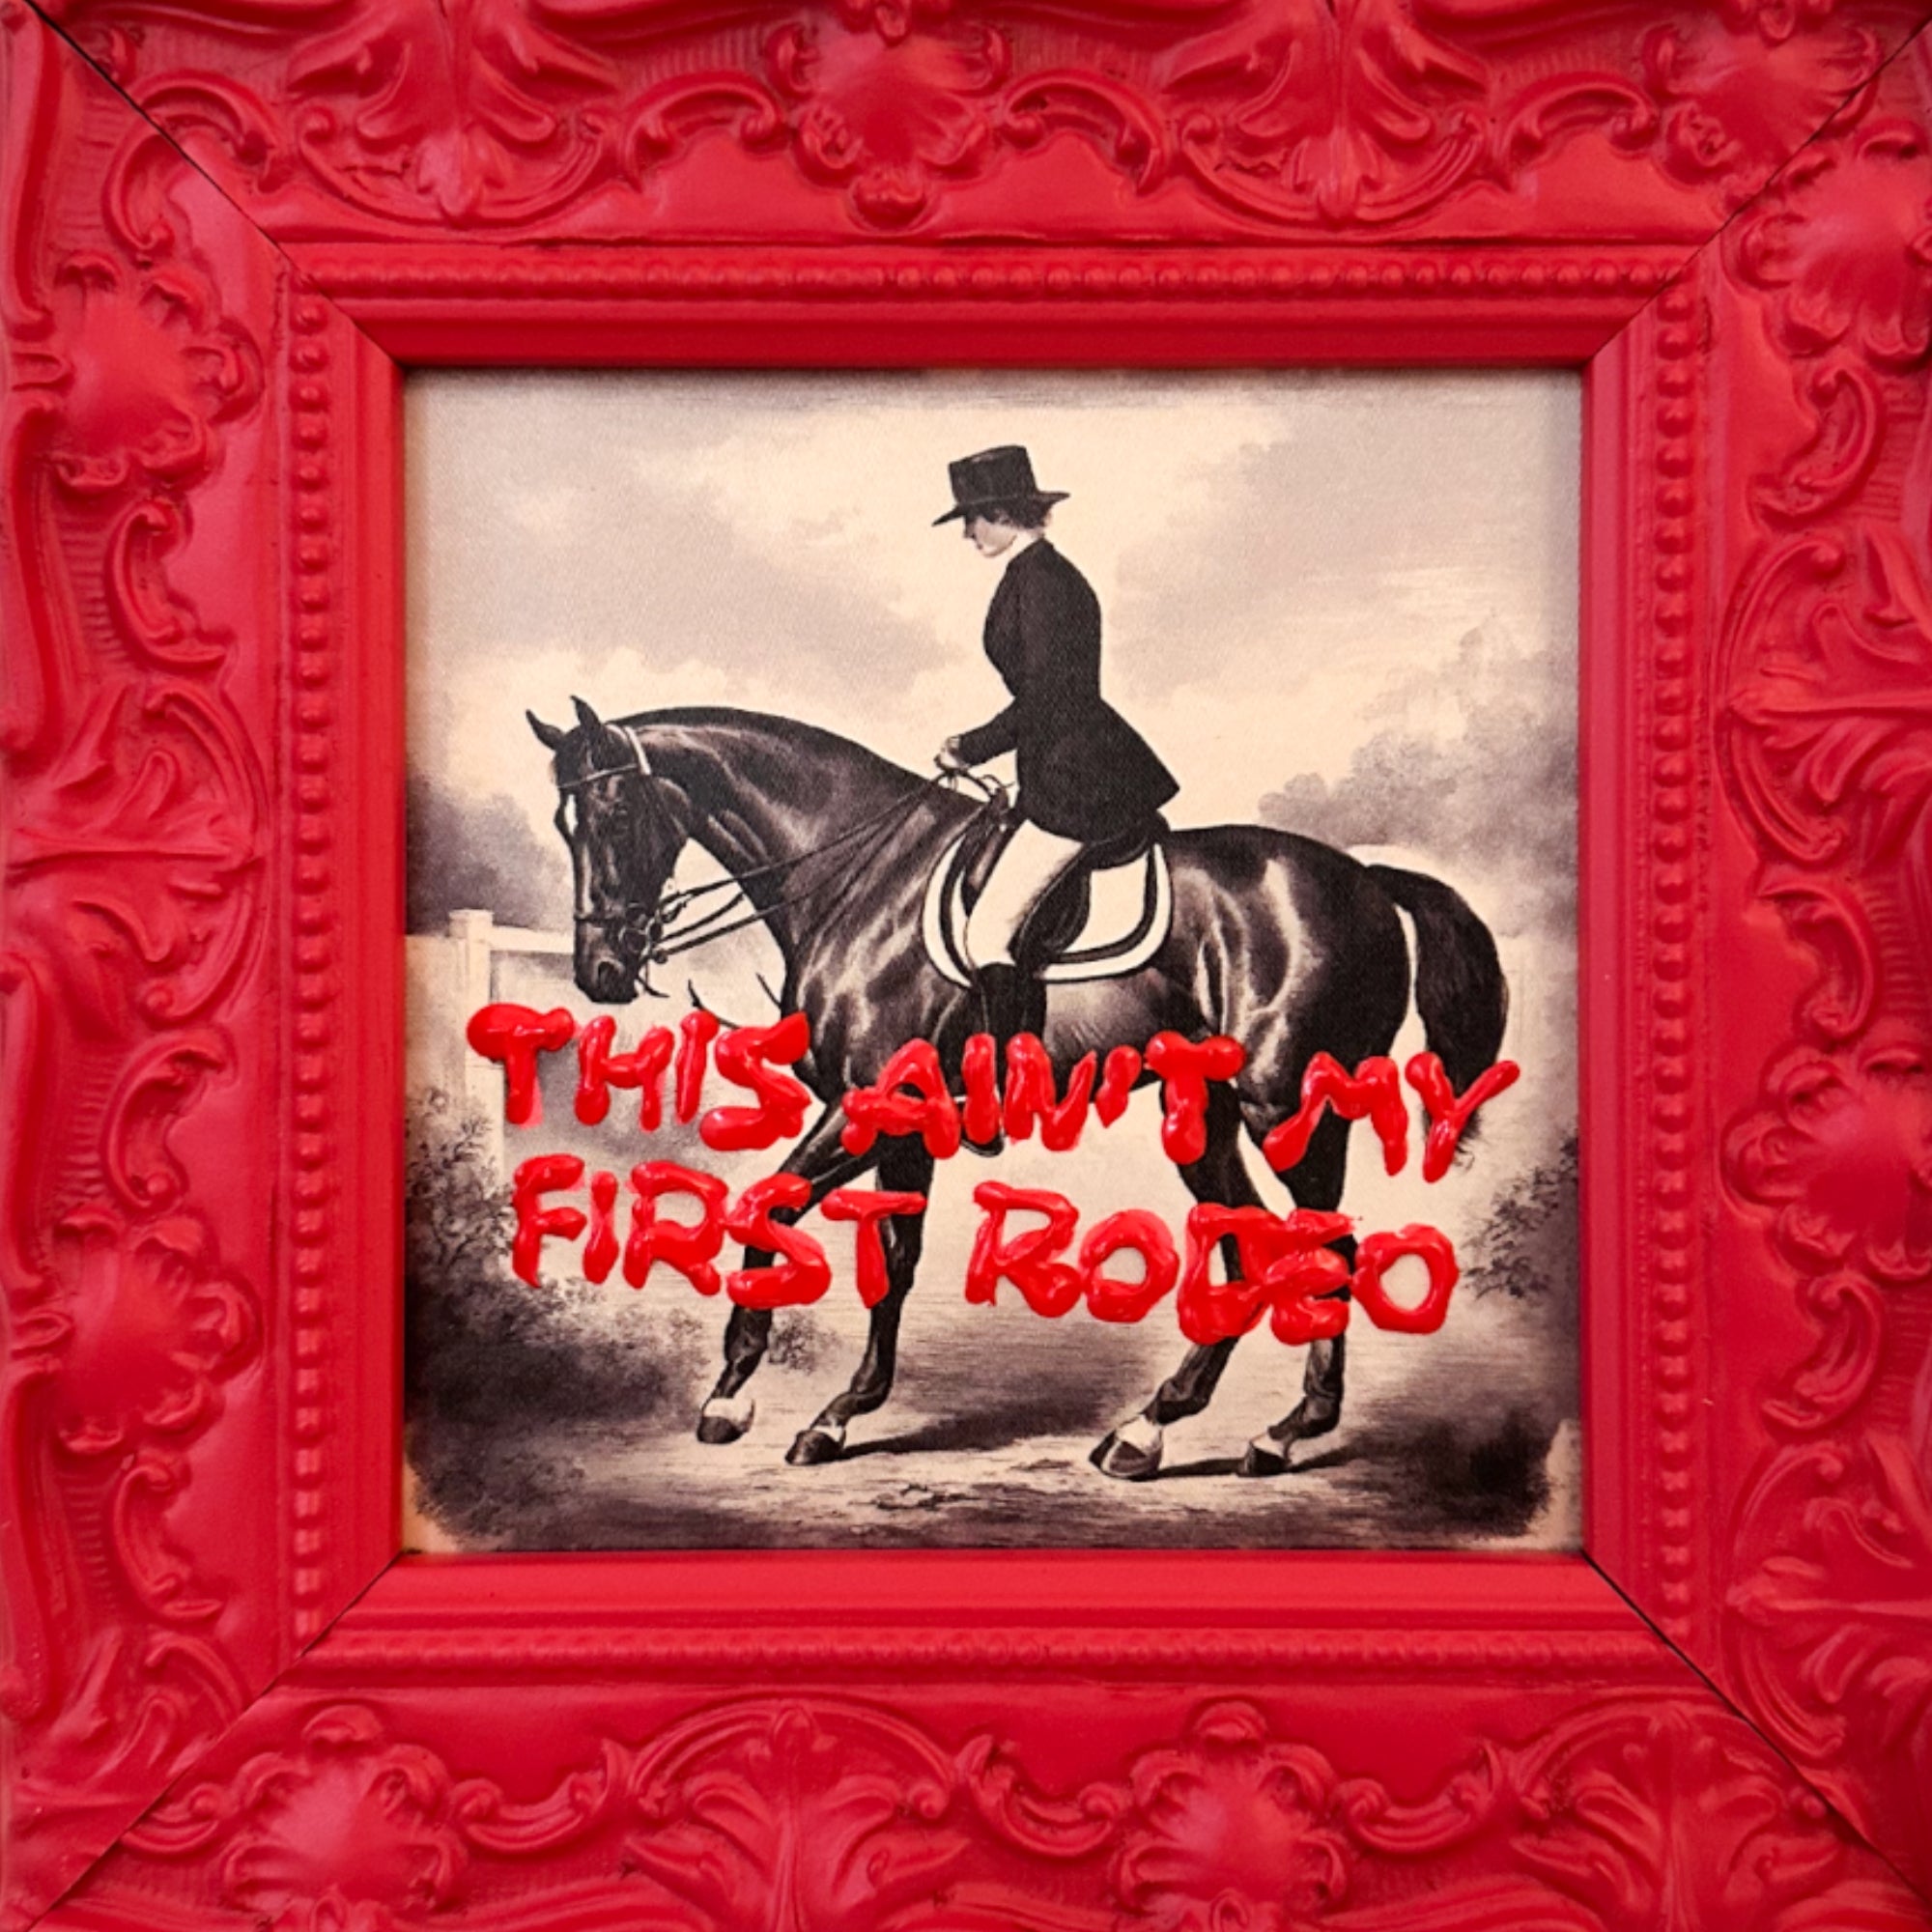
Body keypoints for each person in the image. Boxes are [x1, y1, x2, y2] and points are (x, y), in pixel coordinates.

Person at [935, 445, 1178, 1055]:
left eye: (972, 519)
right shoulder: (1031, 575)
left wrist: (972, 747)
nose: (968, 534)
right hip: (1057, 767)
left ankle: (1005, 1080)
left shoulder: (1044, 583)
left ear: (1001, 513)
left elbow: (1049, 698)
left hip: (1078, 781)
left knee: (987, 934)